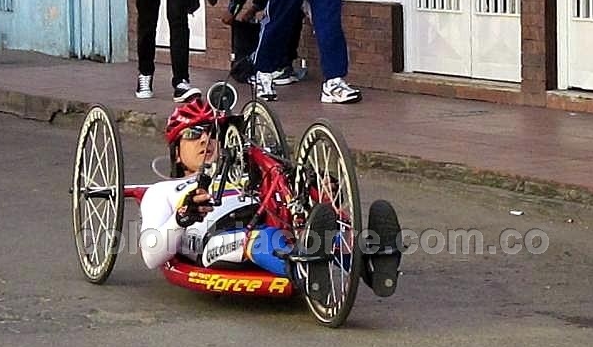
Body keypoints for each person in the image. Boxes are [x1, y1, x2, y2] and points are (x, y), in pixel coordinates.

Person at [138, 98, 401, 299]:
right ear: (175, 152)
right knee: (265, 239)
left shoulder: (240, 170)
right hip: (216, 238)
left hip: (268, 221)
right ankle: (304, 271)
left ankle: (372, 265)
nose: (205, 139)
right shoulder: (161, 191)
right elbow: (150, 256)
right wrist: (181, 218)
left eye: (211, 131)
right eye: (193, 134)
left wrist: (317, 189)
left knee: (323, 232)